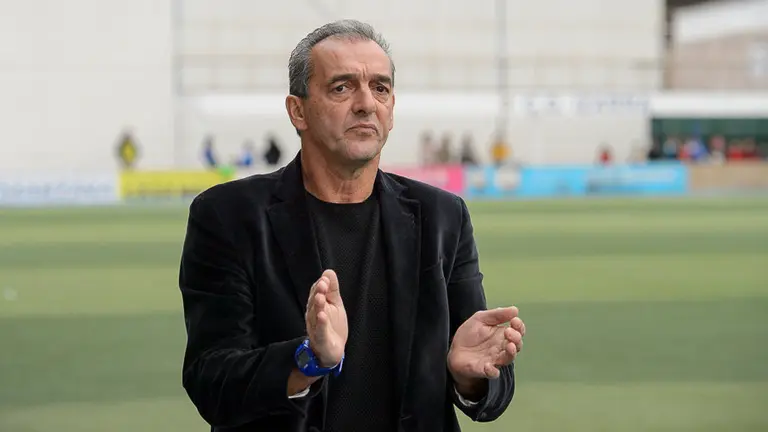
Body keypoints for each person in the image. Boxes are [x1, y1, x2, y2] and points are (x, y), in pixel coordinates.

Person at [178, 19, 525, 432]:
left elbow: (486, 378)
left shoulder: (442, 216)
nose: (366, 103)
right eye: (342, 87)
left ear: (392, 110)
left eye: (380, 88)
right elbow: (211, 380)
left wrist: (469, 374)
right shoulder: (228, 216)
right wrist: (310, 359)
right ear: (298, 110)